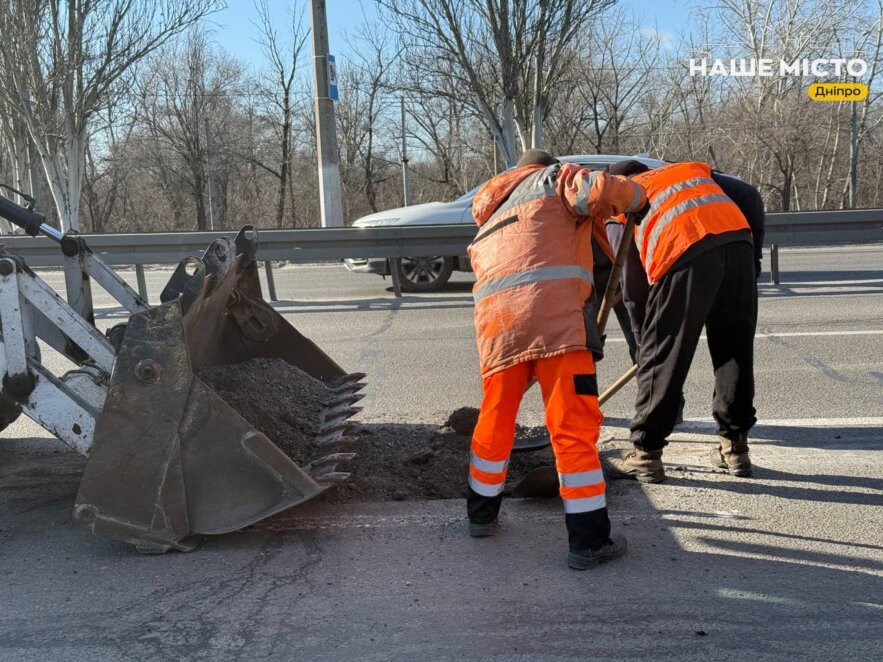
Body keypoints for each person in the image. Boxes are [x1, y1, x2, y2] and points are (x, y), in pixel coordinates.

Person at [465, 149, 648, 571]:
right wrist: (637, 196)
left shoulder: (489, 216)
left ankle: (480, 515)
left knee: (495, 419)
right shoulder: (553, 179)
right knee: (572, 427)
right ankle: (588, 543)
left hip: (497, 327)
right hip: (558, 326)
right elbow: (601, 189)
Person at [603, 160, 760, 483]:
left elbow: (633, 292)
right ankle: (735, 449)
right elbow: (748, 194)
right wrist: (753, 259)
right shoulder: (688, 170)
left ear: (618, 181)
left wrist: (647, 347)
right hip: (738, 245)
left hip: (683, 249)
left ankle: (645, 454)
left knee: (664, 354)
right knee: (734, 351)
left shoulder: (622, 200)